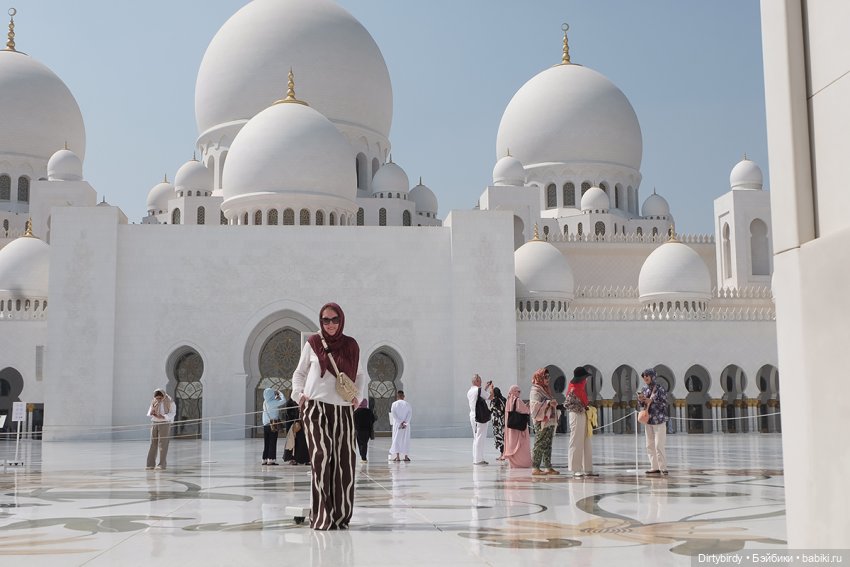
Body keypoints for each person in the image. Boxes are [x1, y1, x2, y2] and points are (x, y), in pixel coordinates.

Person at [292, 302, 368, 530]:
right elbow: (300, 372)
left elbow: (360, 375)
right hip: (315, 408)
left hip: (343, 409)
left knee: (344, 462)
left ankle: (340, 516)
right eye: (326, 320)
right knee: (321, 456)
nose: (331, 324)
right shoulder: (314, 343)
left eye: (335, 319)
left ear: (341, 320)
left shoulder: (351, 345)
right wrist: (298, 395)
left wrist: (357, 397)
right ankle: (322, 516)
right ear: (321, 321)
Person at [564, 367, 598, 477]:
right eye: (585, 378)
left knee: (586, 441)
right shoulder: (573, 388)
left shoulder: (579, 388)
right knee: (576, 441)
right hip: (576, 415)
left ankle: (588, 468)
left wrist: (586, 408)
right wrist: (583, 408)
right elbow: (568, 404)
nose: (586, 380)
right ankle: (575, 469)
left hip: (583, 414)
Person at [638, 368, 669, 475]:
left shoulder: (660, 389)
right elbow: (642, 405)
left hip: (659, 420)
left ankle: (663, 468)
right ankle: (654, 467)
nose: (645, 377)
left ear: (653, 376)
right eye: (644, 376)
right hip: (648, 420)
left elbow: (664, 403)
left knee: (659, 445)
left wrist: (652, 401)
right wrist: (641, 400)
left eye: (647, 375)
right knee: (650, 445)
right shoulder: (644, 389)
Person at [529, 368, 560, 476]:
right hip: (541, 422)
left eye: (548, 377)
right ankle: (535, 467)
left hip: (549, 421)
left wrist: (551, 403)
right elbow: (533, 406)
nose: (548, 379)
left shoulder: (546, 389)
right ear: (539, 378)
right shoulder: (535, 390)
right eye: (545, 377)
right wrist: (548, 403)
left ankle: (548, 467)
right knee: (539, 443)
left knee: (547, 444)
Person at [502, 384, 532, 468]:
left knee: (512, 443)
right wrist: (528, 407)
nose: (519, 393)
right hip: (519, 428)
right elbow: (525, 410)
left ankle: (513, 463)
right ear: (514, 391)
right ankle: (522, 463)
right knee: (521, 445)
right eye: (518, 391)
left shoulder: (508, 400)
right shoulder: (517, 400)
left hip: (511, 428)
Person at [146, 388, 176, 471]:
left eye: (160, 398)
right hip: (155, 423)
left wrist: (163, 417)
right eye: (157, 398)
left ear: (163, 396)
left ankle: (162, 464)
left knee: (163, 444)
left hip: (164, 423)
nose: (158, 399)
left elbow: (173, 412)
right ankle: (150, 464)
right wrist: (152, 413)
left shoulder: (169, 401)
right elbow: (149, 411)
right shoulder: (154, 401)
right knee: (153, 444)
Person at [467, 374, 492, 465]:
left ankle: (476, 458)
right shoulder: (479, 390)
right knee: (480, 437)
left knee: (476, 437)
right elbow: (490, 397)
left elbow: (480, 396)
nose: (481, 382)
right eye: (480, 380)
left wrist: (485, 388)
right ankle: (478, 459)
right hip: (480, 416)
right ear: (476, 381)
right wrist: (492, 389)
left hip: (473, 415)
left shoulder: (470, 391)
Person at [261, 388, 286, 465]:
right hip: (273, 425)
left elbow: (272, 402)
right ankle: (271, 459)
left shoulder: (265, 402)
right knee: (272, 442)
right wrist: (280, 393)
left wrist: (275, 398)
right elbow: (283, 401)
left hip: (266, 425)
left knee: (267, 442)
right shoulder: (273, 403)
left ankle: (265, 459)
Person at [389, 390, 412, 462]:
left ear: (397, 396)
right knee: (405, 439)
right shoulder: (407, 404)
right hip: (406, 425)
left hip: (397, 425)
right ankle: (406, 457)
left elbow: (394, 414)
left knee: (396, 439)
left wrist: (400, 422)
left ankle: (398, 457)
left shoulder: (394, 404)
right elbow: (409, 414)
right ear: (403, 396)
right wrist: (405, 423)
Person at [353, 398, 377, 463]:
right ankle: (363, 457)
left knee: (359, 443)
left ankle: (362, 456)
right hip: (367, 430)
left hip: (358, 430)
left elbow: (353, 420)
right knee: (365, 443)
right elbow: (373, 419)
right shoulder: (369, 411)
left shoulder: (356, 411)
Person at [489, 384, 507, 460]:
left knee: (499, 438)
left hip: (497, 423)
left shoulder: (494, 401)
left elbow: (490, 410)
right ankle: (504, 454)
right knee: (504, 437)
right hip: (503, 421)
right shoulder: (503, 399)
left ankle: (502, 454)